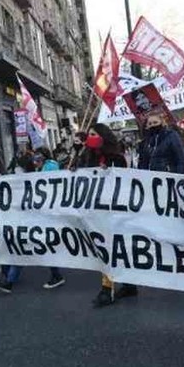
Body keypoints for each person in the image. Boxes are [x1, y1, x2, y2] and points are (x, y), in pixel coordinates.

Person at [0, 147, 66, 293]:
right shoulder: (38, 170)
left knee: (36, 246)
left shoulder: (49, 167)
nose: (35, 161)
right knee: (26, 246)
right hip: (36, 216)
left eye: (38, 158)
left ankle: (55, 276)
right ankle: (10, 281)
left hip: (46, 216)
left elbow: (48, 187)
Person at [76, 124, 130, 308]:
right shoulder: (85, 155)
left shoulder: (116, 157)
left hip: (113, 210)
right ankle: (130, 285)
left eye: (93, 134)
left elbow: (125, 181)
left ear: (103, 136)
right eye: (88, 134)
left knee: (110, 248)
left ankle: (107, 289)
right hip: (95, 209)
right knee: (106, 247)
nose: (89, 137)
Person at [137, 109, 184, 174]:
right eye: (150, 123)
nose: (152, 125)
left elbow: (181, 159)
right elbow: (143, 161)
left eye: (155, 122)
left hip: (169, 177)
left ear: (162, 122)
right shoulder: (147, 141)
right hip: (151, 179)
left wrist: (179, 178)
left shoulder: (171, 135)